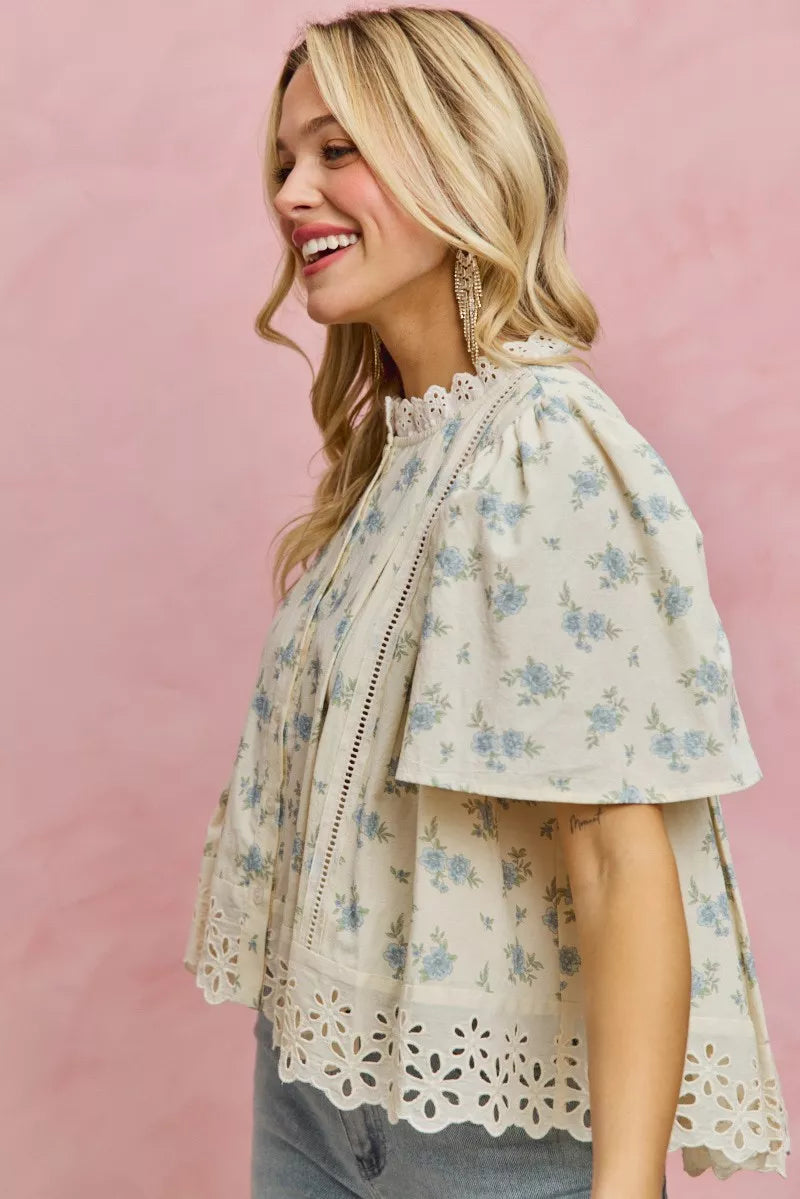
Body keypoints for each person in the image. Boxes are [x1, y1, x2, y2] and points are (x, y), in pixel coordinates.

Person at [182, 8, 790, 1197]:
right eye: (283, 161)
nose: (292, 193)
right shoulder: (394, 462)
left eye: (335, 149)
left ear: (459, 157)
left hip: (482, 1138)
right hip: (308, 1089)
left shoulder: (540, 448)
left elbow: (616, 861)